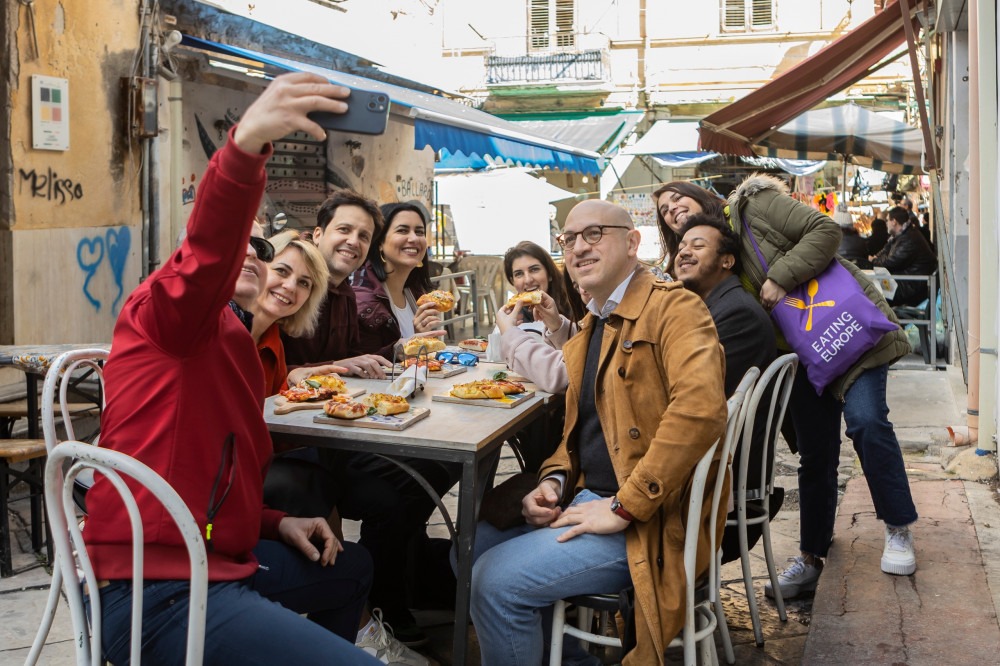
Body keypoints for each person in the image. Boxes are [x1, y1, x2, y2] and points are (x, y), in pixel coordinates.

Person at [81, 72, 381, 665]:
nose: (252, 252)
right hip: (156, 591)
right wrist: (245, 147)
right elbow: (207, 251)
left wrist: (275, 524)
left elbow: (215, 485)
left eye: (261, 247)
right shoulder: (169, 310)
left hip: (213, 559)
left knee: (355, 564)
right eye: (239, 243)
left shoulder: (234, 339)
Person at [470, 199, 728, 666]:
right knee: (470, 546)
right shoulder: (595, 321)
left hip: (652, 518)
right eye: (569, 239)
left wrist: (626, 506)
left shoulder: (677, 308)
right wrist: (552, 482)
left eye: (594, 234)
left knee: (494, 579)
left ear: (633, 243)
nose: (577, 248)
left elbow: (701, 411)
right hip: (588, 496)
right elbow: (580, 433)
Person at [656, 174, 918, 601]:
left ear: (700, 194)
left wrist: (779, 276)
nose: (672, 210)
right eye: (665, 212)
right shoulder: (704, 256)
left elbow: (825, 230)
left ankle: (898, 528)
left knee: (867, 422)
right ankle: (812, 556)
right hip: (798, 358)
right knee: (816, 456)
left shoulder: (753, 204)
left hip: (841, 331)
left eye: (676, 198)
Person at [674, 214, 778, 563]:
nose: (684, 251)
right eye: (682, 245)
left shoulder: (736, 314)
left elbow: (691, 396)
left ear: (727, 260)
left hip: (724, 479)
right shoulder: (709, 306)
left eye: (697, 246)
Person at [281, 190, 393, 379]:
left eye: (364, 236)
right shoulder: (286, 285)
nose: (353, 241)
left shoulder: (346, 295)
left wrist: (397, 350)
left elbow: (352, 362)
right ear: (318, 234)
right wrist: (332, 367)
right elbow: (262, 369)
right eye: (344, 230)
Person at [352, 202, 444, 359]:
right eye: (402, 230)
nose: (414, 238)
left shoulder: (416, 292)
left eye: (420, 232)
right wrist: (402, 350)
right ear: (379, 242)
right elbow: (361, 362)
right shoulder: (362, 299)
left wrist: (421, 340)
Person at [251, 228, 333, 395]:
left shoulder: (274, 342)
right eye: (281, 271)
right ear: (258, 267)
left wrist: (291, 379)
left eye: (304, 283)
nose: (290, 286)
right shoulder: (216, 328)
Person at [871, 206, 937, 306]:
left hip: (910, 287)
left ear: (894, 221)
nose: (886, 223)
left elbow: (888, 264)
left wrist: (874, 260)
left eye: (887, 220)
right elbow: (885, 253)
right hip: (907, 282)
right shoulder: (901, 235)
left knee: (871, 293)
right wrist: (878, 258)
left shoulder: (909, 239)